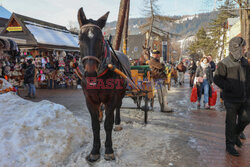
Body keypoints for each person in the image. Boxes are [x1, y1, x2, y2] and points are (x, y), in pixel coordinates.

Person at [213, 37, 250, 156]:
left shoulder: (244, 62)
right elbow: (217, 79)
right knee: (231, 123)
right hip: (230, 99)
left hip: (244, 97)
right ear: (236, 47)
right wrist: (229, 86)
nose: (244, 49)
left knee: (246, 118)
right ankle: (230, 145)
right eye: (242, 47)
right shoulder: (224, 63)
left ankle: (235, 135)